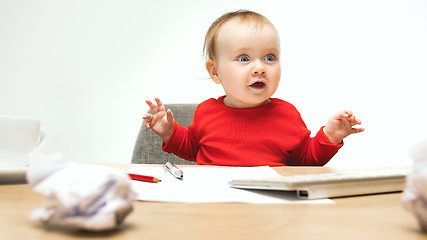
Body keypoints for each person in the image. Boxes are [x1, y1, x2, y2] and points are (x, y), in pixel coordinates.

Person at [143, 10, 364, 166]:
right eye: (243, 58)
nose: (259, 67)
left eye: (269, 57)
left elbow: (304, 161)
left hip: (269, 207)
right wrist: (170, 132)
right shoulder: (206, 112)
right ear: (215, 72)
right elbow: (192, 149)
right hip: (213, 204)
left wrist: (331, 136)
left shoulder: (287, 115)